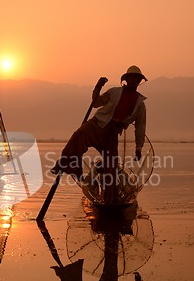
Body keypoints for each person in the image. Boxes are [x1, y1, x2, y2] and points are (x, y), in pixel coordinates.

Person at [51, 65, 147, 201]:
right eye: (131, 78)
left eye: (136, 79)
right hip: (97, 123)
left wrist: (138, 148)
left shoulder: (140, 104)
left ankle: (111, 199)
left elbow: (140, 127)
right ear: (126, 79)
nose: (134, 81)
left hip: (112, 133)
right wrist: (98, 87)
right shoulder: (114, 92)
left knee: (111, 168)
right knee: (78, 137)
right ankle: (69, 166)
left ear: (139, 81)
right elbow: (96, 103)